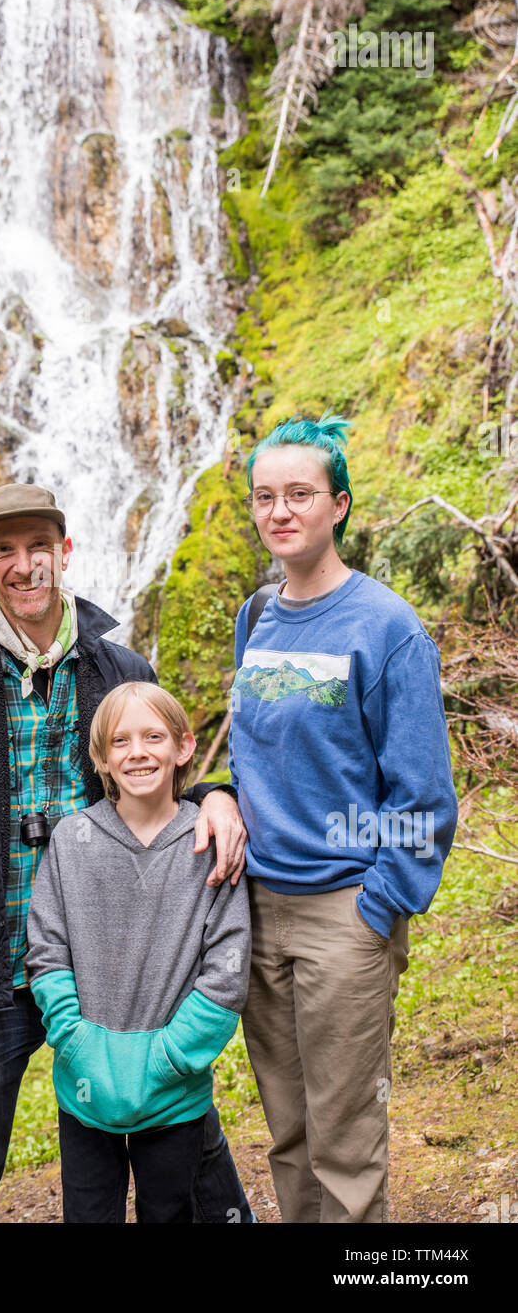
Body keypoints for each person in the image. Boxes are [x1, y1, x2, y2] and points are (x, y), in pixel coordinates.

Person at [0, 482, 253, 1223]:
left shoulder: (122, 667)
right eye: (3, 549)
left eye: (39, 545)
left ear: (64, 552)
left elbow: (161, 785)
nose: (24, 564)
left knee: (193, 1148)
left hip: (116, 967)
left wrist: (218, 796)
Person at [228, 413, 459, 1223]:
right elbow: (256, 754)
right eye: (265, 496)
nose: (279, 511)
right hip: (256, 911)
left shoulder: (385, 627)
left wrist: (377, 904)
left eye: (299, 494)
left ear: (339, 505)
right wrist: (222, 798)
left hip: (343, 912)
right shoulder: (255, 619)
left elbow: (424, 796)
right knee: (288, 1133)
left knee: (344, 1139)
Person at [26, 681, 251, 1223]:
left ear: (183, 747)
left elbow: (228, 968)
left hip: (175, 1091)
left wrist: (171, 1057)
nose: (138, 752)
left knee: (170, 1211)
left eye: (153, 737)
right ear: (100, 757)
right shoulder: (70, 841)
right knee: (87, 1213)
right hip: (85, 1087)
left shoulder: (211, 842)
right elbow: (46, 950)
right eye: (120, 741)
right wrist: (76, 1042)